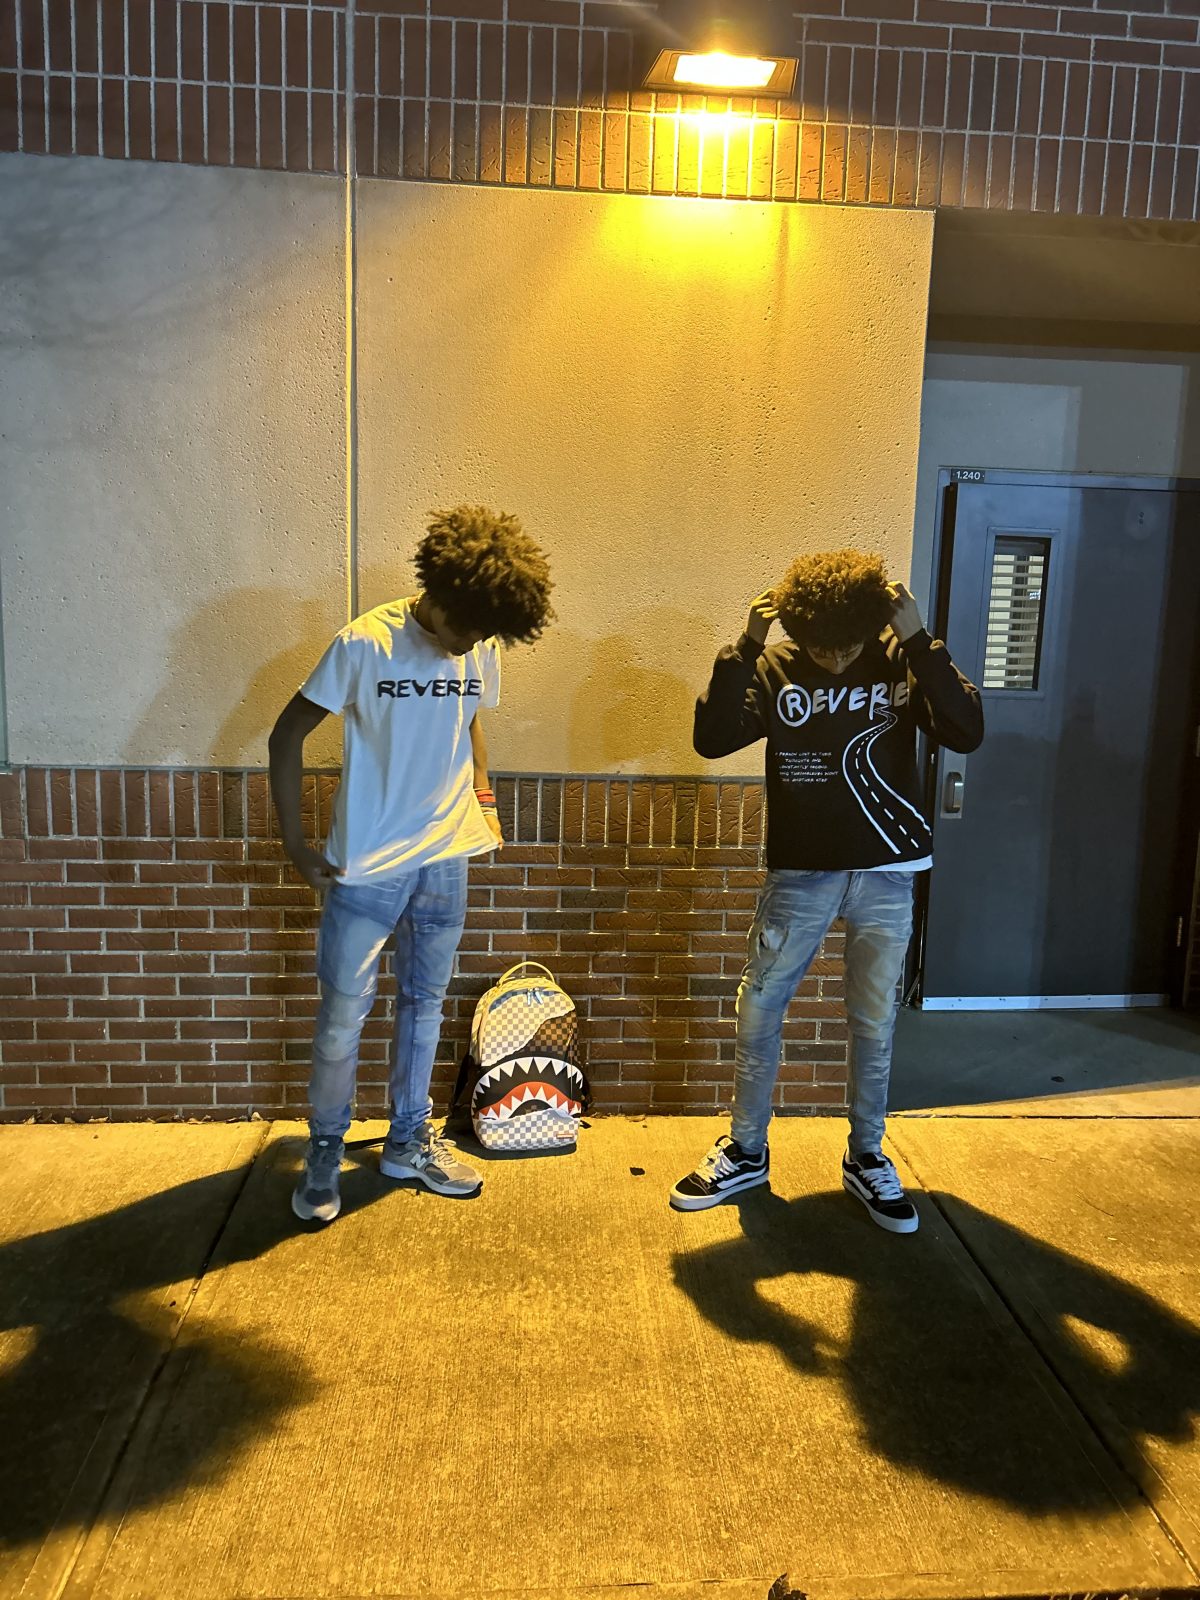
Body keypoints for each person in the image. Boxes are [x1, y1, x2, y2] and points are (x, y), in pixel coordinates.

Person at [670, 549, 983, 1232]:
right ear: (797, 629)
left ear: (870, 627)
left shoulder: (901, 660)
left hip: (888, 872)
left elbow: (967, 730)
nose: (836, 660)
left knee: (874, 1020)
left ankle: (867, 1156)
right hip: (801, 873)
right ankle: (746, 1150)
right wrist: (744, 648)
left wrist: (920, 641)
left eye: (848, 648)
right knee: (759, 1009)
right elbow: (712, 739)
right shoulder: (775, 666)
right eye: (821, 649)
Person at [270, 505, 554, 1222]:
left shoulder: (479, 644)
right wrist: (296, 845)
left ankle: (406, 1142)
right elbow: (285, 735)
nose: (473, 645)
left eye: (486, 636)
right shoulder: (365, 643)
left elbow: (472, 720)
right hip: (366, 866)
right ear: (443, 595)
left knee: (424, 1007)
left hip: (446, 859)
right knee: (343, 1017)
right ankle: (326, 1149)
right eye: (469, 630)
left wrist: (483, 799)